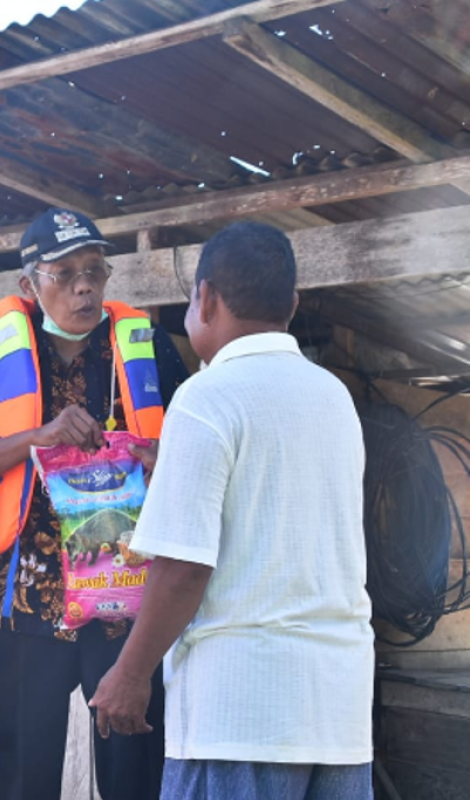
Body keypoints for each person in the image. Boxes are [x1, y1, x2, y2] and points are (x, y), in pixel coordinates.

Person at [90, 222, 374, 799]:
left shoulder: (206, 395)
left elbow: (183, 570)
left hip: (240, 717)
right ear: (291, 305)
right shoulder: (333, 396)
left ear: (206, 298)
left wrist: (130, 673)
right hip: (339, 713)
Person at [0, 208, 189, 800]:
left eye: (95, 270)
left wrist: (160, 459)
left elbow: (201, 458)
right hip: (21, 611)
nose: (84, 285)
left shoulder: (146, 349)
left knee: (137, 779)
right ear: (29, 285)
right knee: (17, 785)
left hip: (128, 611)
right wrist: (33, 438)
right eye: (65, 273)